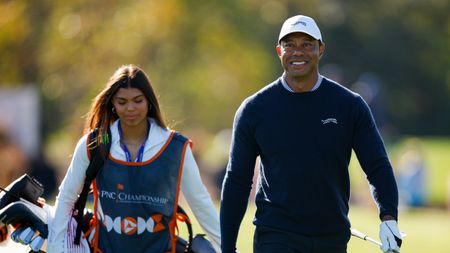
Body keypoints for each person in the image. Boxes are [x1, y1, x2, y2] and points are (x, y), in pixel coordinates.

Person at [220, 15, 402, 253]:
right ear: (279, 51)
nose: (298, 52)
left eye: (307, 44)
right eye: (290, 45)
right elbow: (237, 181)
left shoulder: (349, 105)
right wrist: (227, 247)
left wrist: (388, 216)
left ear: (321, 49)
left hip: (331, 237)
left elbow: (376, 165)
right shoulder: (255, 109)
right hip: (276, 235)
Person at [45, 64, 220, 252]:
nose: (130, 108)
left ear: (149, 101)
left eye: (138, 101)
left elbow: (200, 202)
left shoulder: (175, 147)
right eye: (122, 102)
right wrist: (55, 247)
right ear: (112, 102)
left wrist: (228, 248)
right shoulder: (94, 143)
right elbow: (66, 198)